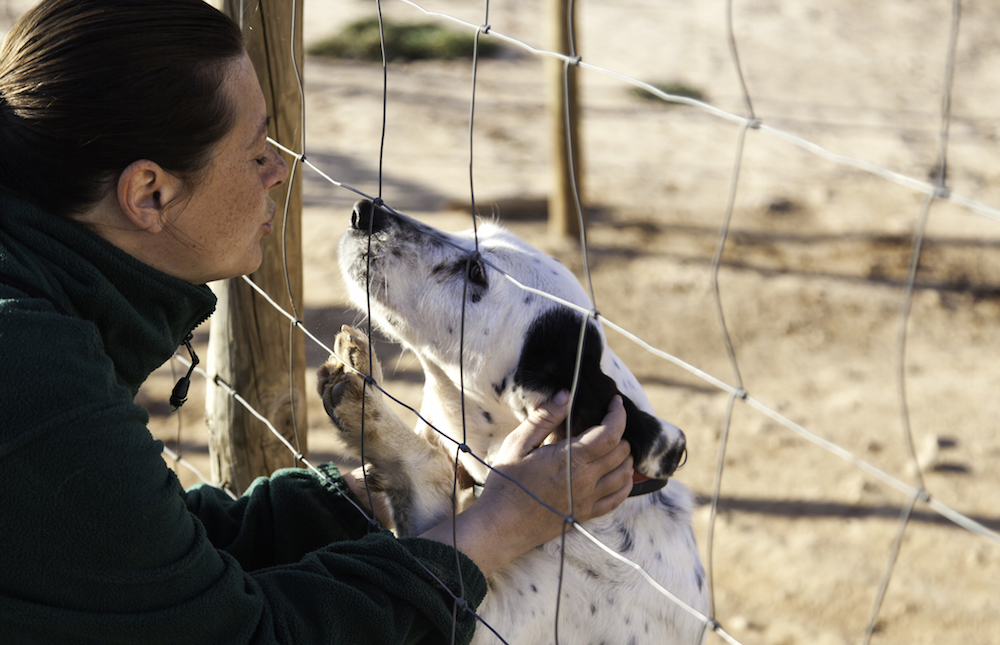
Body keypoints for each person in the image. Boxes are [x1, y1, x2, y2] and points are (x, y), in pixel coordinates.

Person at [0, 1, 635, 643]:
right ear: (150, 193)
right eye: (256, 153)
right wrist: (494, 530)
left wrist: (378, 489)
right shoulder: (38, 378)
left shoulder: (37, 312)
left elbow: (130, 557)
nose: (280, 171)